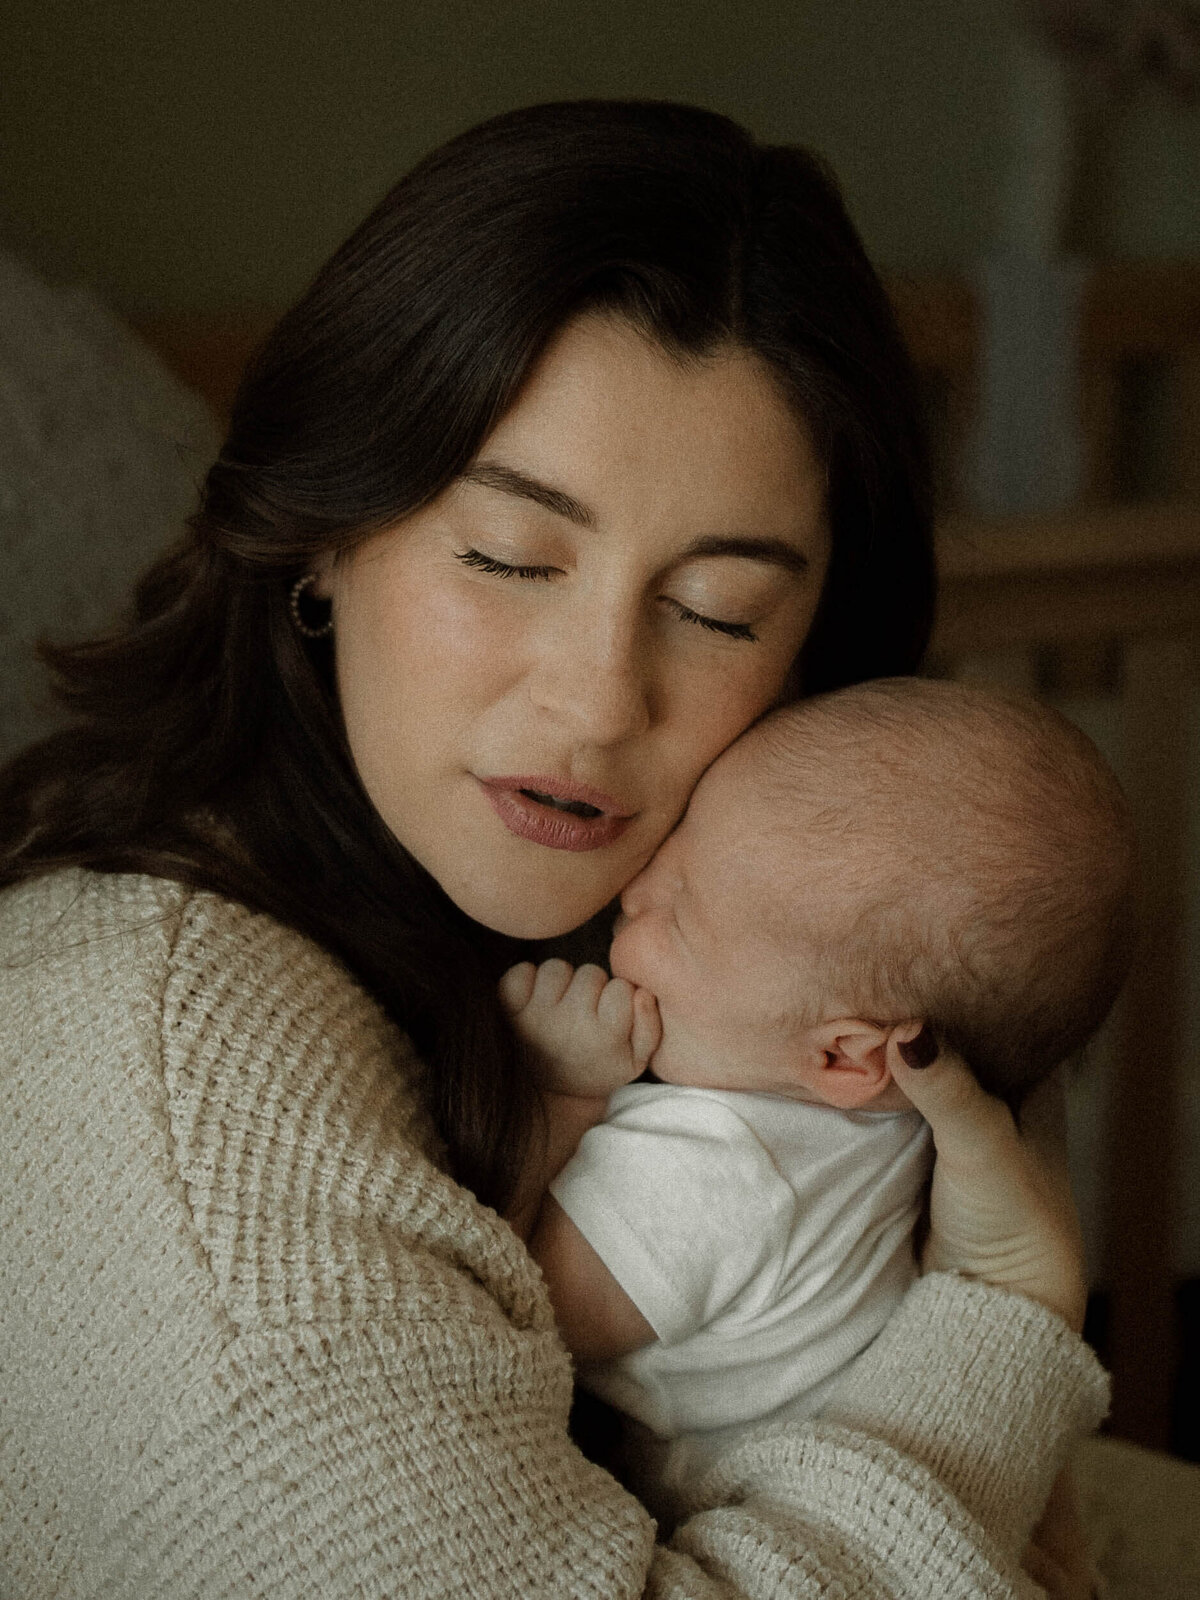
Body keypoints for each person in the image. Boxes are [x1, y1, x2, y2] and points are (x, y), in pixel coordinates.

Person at [0, 100, 1107, 1599]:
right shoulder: (175, 1091)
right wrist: (1003, 1324)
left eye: (717, 609)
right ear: (326, 533)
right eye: (511, 559)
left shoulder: (697, 967)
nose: (595, 703)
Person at [499, 676, 1134, 1528]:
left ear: (842, 1054)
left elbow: (524, 1300)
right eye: (673, 847)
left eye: (680, 916)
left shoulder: (716, 1166)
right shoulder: (890, 1126)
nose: (633, 891)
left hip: (766, 1528)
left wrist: (559, 1090)